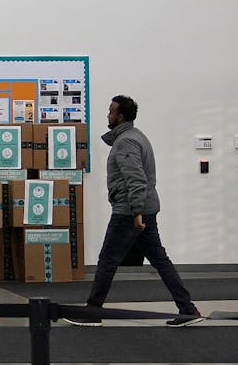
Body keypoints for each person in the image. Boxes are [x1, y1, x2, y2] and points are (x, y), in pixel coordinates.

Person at [64, 95, 204, 327]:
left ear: (120, 116)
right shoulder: (137, 136)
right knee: (160, 260)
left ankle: (93, 312)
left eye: (111, 111)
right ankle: (188, 308)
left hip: (129, 212)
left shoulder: (126, 142)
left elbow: (136, 179)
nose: (108, 115)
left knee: (107, 260)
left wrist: (136, 212)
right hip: (141, 209)